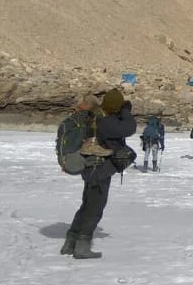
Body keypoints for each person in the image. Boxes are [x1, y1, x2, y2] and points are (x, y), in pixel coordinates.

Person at [64, 89, 136, 259]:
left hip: (90, 168)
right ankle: (82, 246)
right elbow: (130, 128)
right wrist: (125, 111)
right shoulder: (105, 121)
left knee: (87, 205)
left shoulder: (94, 117)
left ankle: (70, 242)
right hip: (100, 170)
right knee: (95, 208)